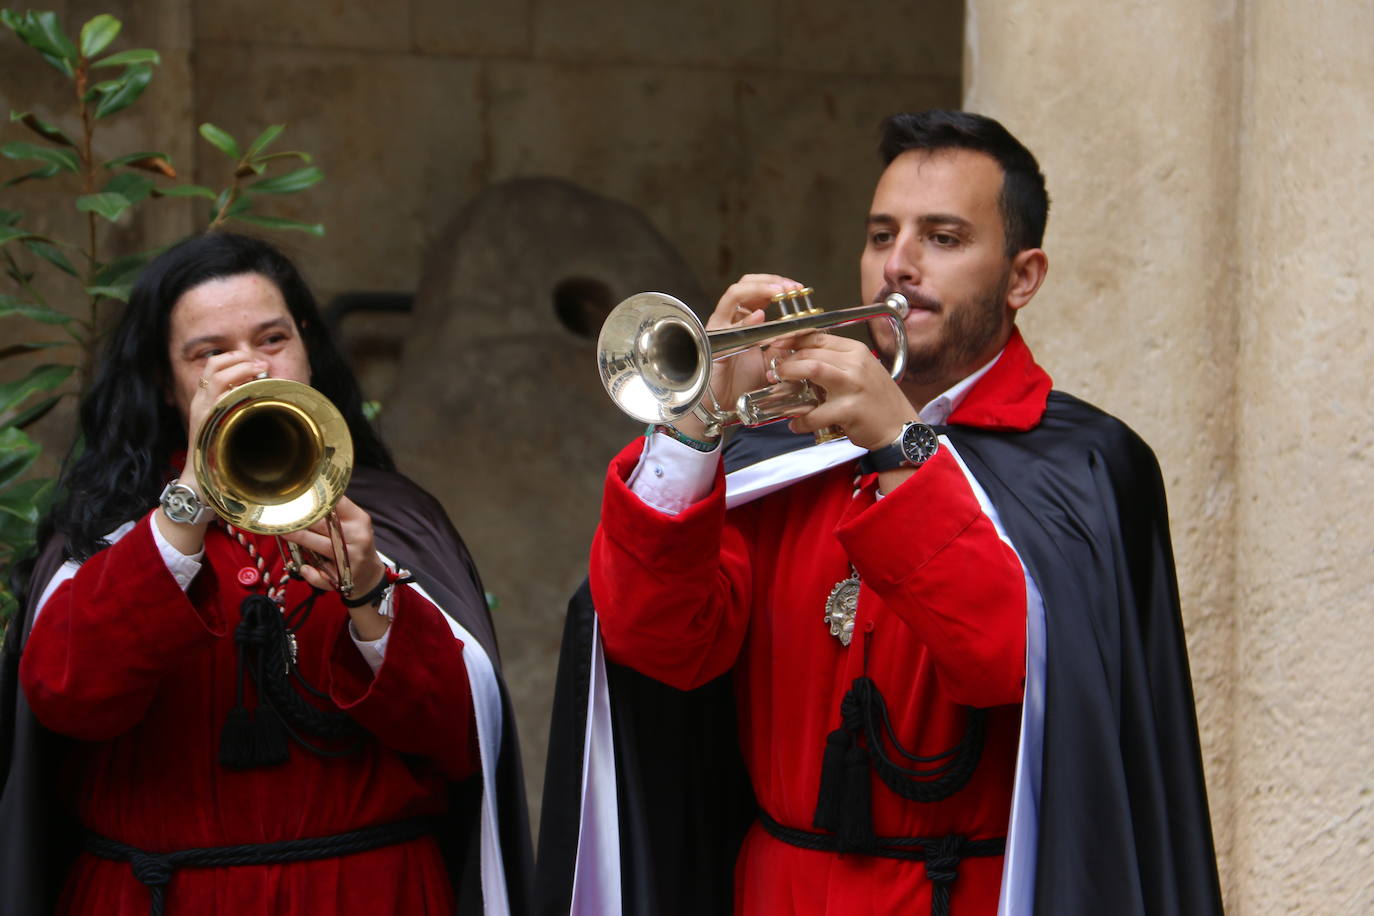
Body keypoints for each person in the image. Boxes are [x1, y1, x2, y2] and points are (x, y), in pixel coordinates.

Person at [536, 111, 1223, 915]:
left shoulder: (1086, 464)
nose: (898, 265)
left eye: (942, 237)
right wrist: (696, 424)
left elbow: (1007, 663)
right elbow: (657, 644)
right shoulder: (782, 449)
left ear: (1022, 276)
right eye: (880, 235)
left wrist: (901, 444)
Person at [0, 232, 531, 915]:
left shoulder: (392, 520)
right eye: (209, 352)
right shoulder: (109, 532)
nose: (247, 367)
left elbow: (463, 743)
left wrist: (370, 591)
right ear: (167, 384)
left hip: (370, 895)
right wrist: (187, 503)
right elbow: (67, 695)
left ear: (307, 349)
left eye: (271, 338)